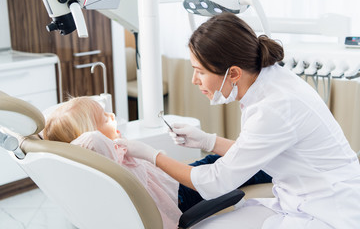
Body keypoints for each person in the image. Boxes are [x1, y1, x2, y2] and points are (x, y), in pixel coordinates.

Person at [117, 13, 360, 229]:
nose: (194, 80)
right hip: (299, 197)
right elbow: (253, 151)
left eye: (200, 71)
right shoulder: (266, 81)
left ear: (233, 73)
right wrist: (208, 140)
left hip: (330, 209)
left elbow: (215, 183)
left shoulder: (274, 106)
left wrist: (153, 156)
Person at [43, 96, 271, 229]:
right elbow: (91, 141)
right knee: (236, 169)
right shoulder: (101, 153)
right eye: (105, 118)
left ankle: (268, 158)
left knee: (214, 160)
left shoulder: (103, 159)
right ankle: (274, 167)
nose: (112, 117)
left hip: (172, 182)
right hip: (180, 195)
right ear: (90, 132)